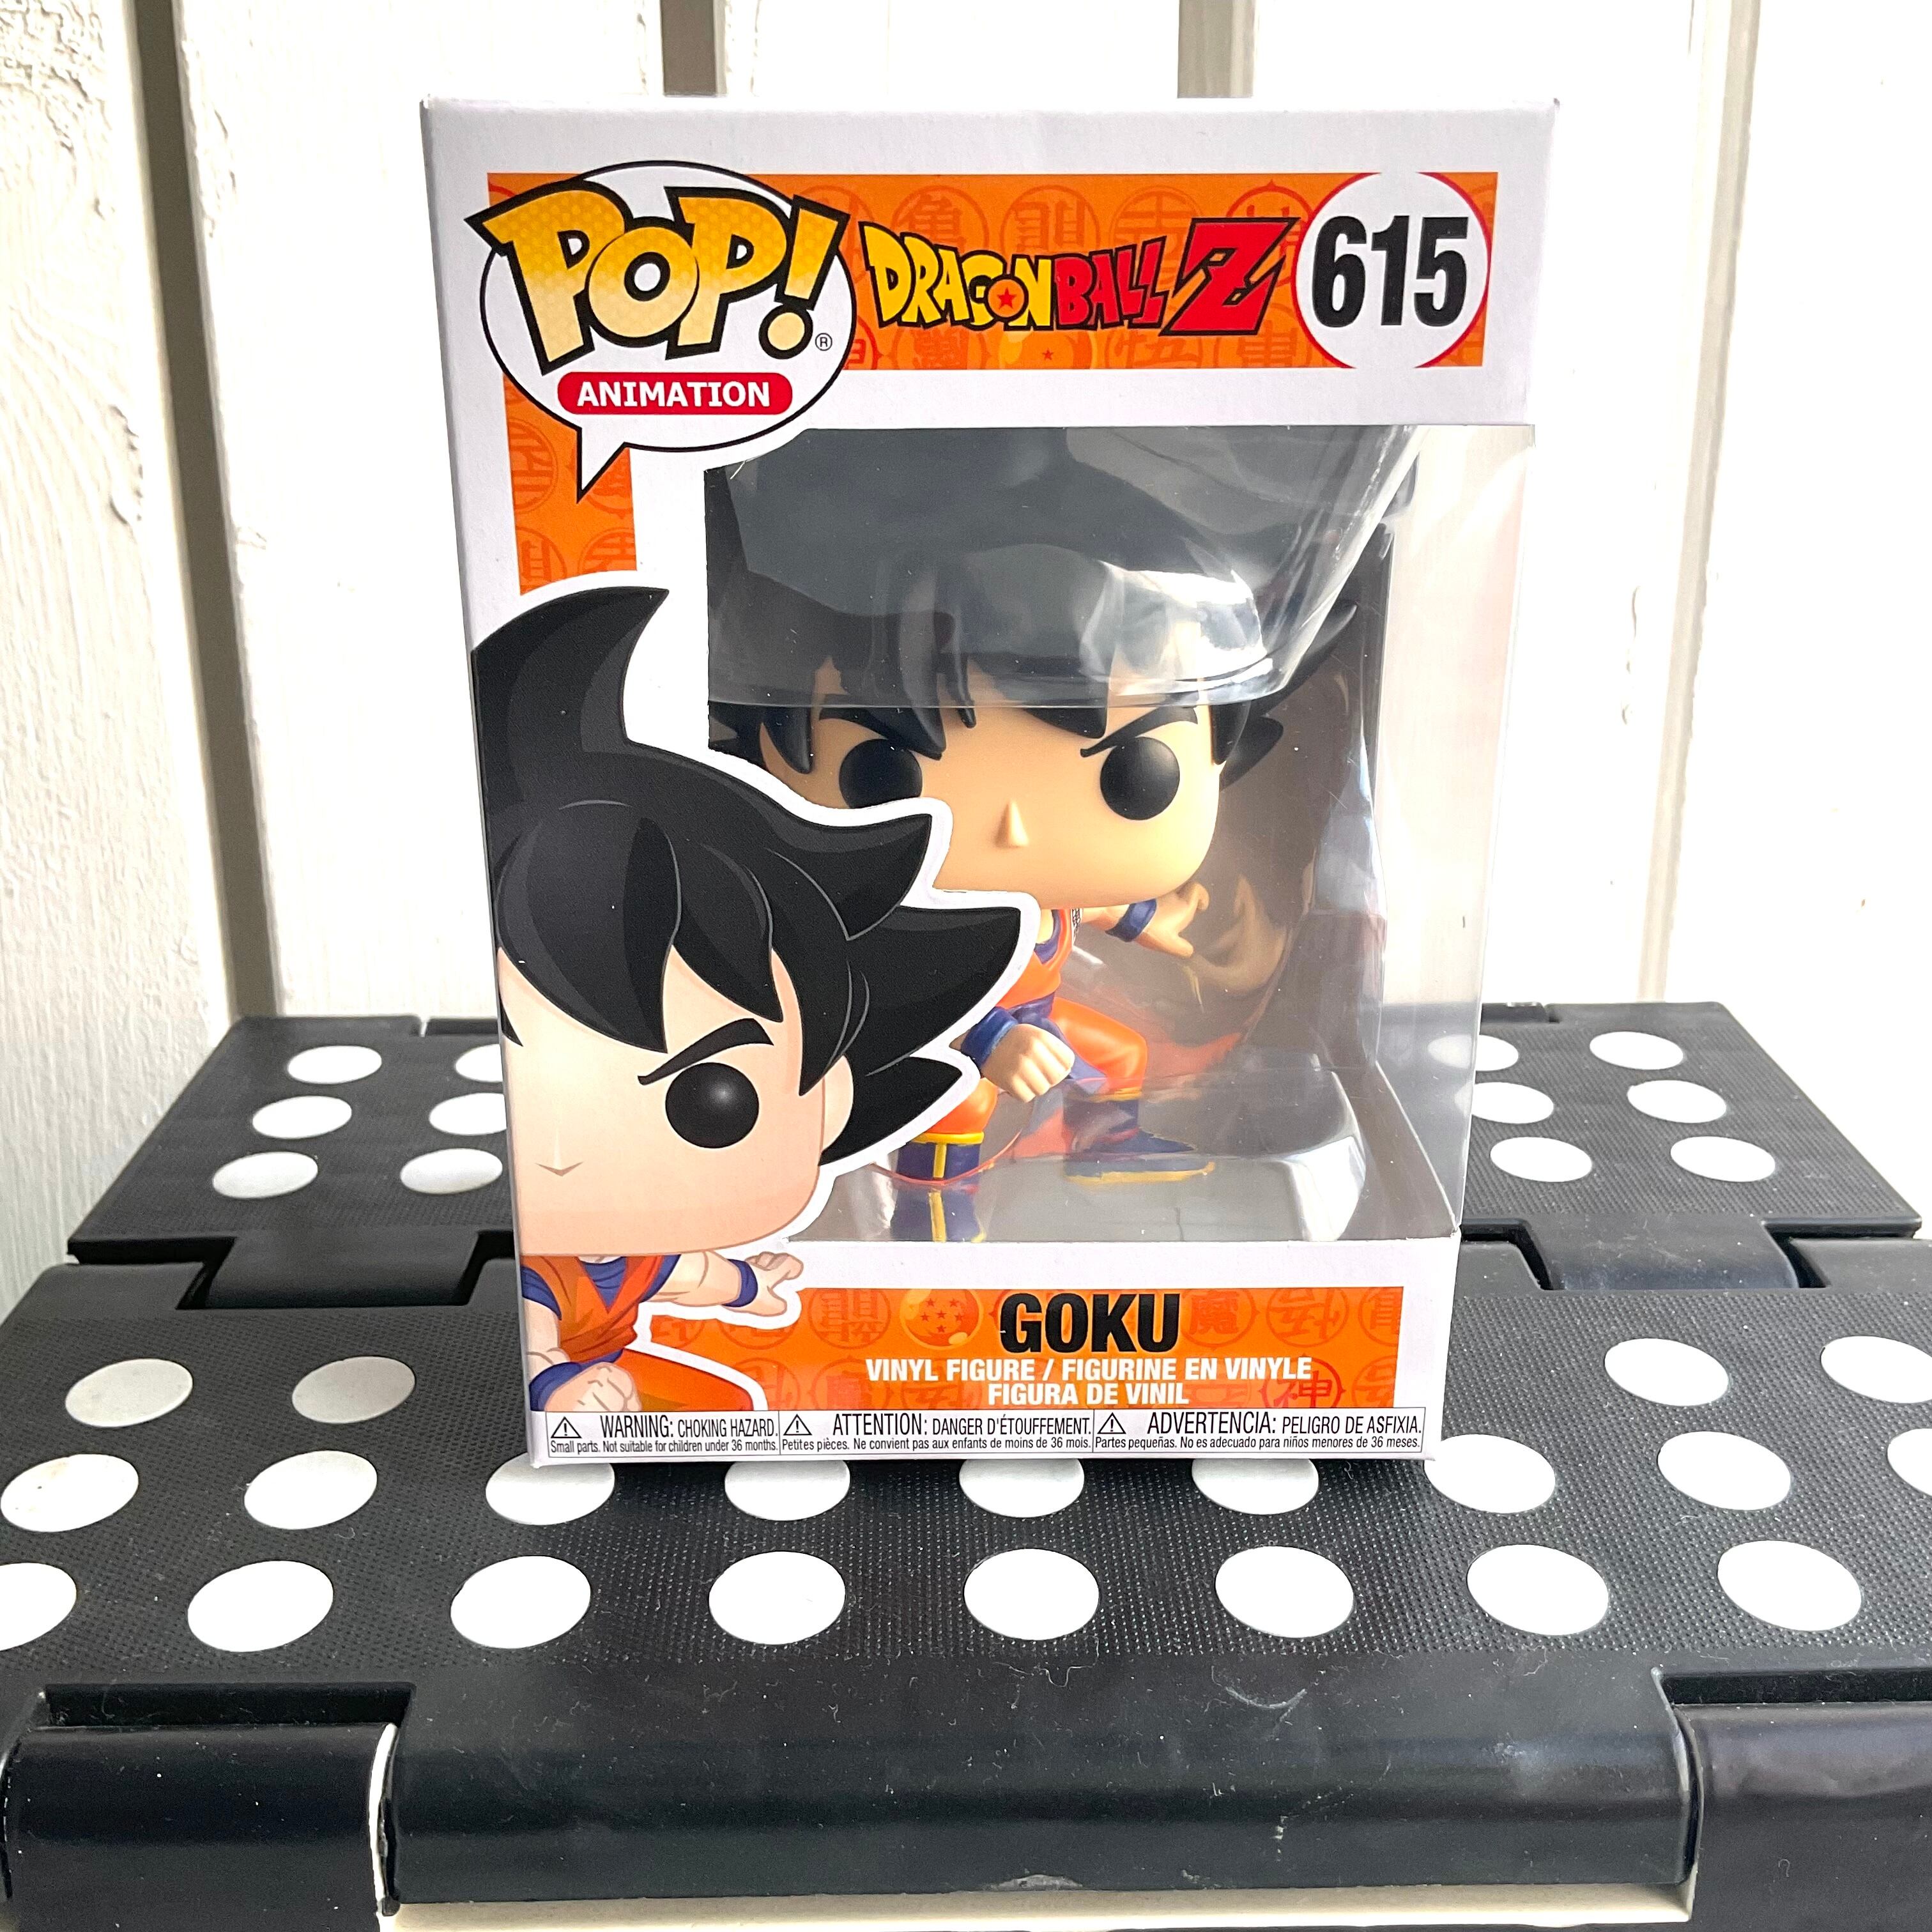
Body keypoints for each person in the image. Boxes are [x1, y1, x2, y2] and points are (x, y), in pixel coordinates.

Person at [473, 585, 1024, 1409]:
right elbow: (536, 1340)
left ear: (832, 1097)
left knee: (730, 1407)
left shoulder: (647, 1247)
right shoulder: (551, 1272)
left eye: (710, 1101)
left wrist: (752, 1285)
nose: (562, 1156)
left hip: (620, 1376)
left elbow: (695, 1275)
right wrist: (557, 1387)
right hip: (576, 1387)